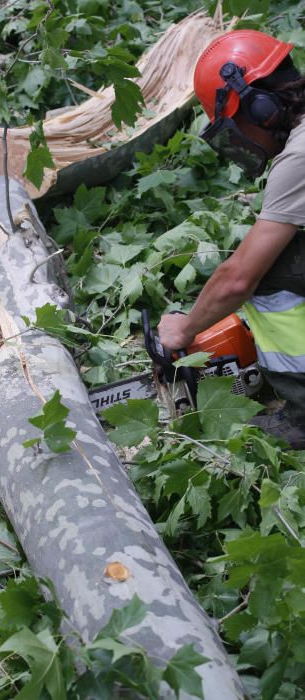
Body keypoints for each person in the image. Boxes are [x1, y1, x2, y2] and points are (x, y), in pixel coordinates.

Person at [157, 30, 305, 449]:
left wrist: (185, 328)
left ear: (261, 108)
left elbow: (239, 279)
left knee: (270, 271)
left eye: (237, 125)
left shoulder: (300, 155)